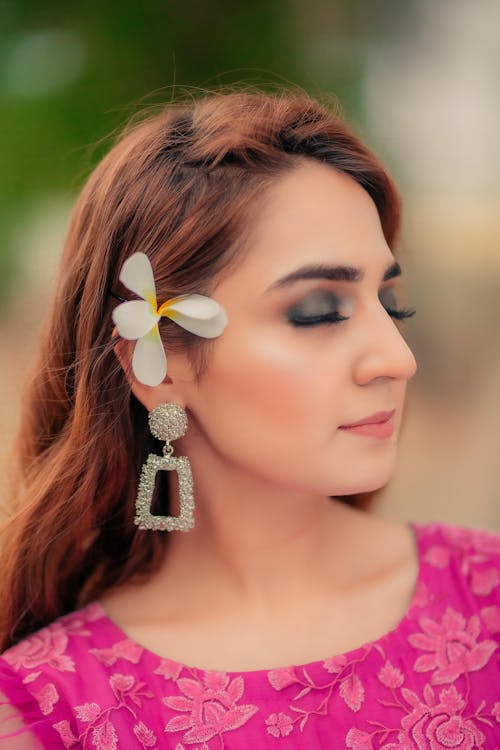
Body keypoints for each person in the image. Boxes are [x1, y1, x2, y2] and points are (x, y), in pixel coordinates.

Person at [0, 88, 499, 749]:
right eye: (318, 310)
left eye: (390, 303)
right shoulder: (53, 708)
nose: (396, 359)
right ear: (160, 366)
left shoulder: (485, 604)